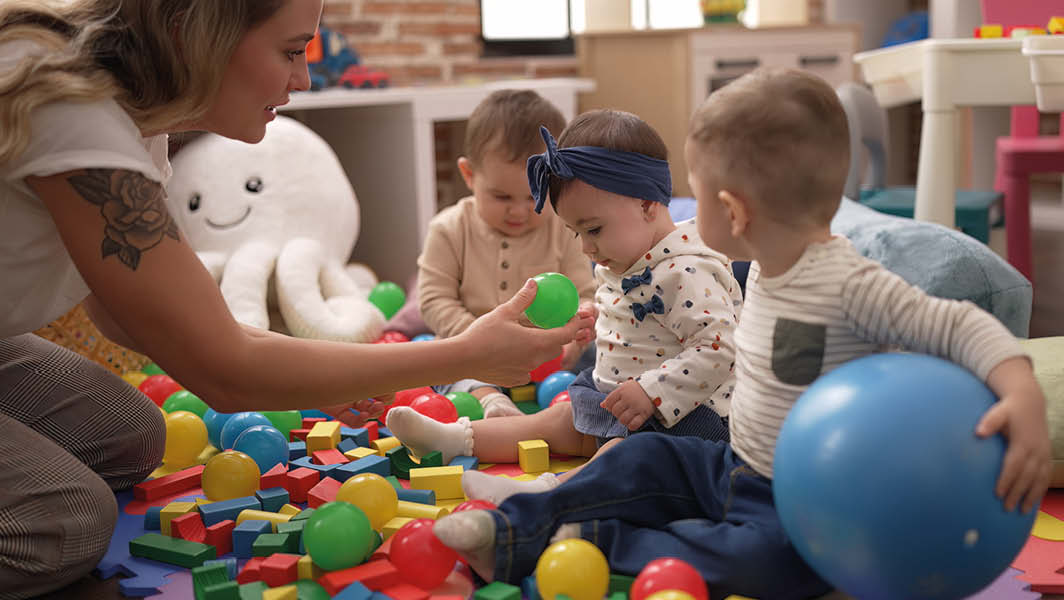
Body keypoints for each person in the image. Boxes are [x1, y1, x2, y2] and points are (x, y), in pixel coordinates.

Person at [0, 1, 592, 597]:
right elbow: (223, 368)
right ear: (198, 34)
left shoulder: (139, 124)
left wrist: (329, 376)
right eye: (289, 51)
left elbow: (138, 316)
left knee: (132, 434)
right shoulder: (74, 108)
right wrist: (464, 355)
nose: (304, 77)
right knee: (68, 524)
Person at [430, 68, 1052, 599]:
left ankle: (586, 543)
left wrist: (1019, 389)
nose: (680, 214)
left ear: (733, 211)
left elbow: (958, 322)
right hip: (730, 462)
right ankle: (511, 527)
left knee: (770, 567)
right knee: (641, 457)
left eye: (692, 199)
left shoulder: (847, 281)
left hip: (802, 500)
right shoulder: (765, 268)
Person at [388, 109, 740, 505]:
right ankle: (454, 439)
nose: (586, 248)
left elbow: (719, 348)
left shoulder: (688, 270)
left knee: (626, 456)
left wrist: (652, 392)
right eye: (576, 233)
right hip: (618, 401)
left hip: (684, 418)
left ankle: (544, 494)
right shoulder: (628, 254)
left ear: (646, 205)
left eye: (593, 230)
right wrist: (594, 317)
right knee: (556, 419)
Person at [416, 89, 596, 418]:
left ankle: (578, 408)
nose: (519, 211)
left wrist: (575, 336)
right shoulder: (448, 229)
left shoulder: (563, 228)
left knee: (603, 357)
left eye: (534, 197)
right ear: (469, 175)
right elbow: (434, 300)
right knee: (441, 364)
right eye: (501, 197)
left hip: (548, 355)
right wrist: (476, 341)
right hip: (473, 351)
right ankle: (492, 403)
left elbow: (586, 294)